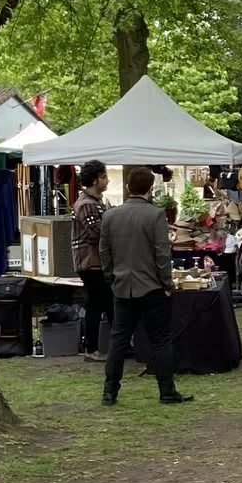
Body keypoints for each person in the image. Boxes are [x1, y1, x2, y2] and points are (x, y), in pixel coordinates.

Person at [100, 168, 192, 406]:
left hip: (122, 286)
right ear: (150, 188)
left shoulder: (110, 216)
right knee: (161, 340)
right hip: (151, 287)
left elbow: (104, 252)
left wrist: (111, 277)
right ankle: (167, 390)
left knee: (118, 341)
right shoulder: (155, 215)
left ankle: (110, 392)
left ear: (129, 187)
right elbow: (162, 254)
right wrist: (167, 283)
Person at [72, 160, 113, 363]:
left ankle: (116, 346)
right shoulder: (86, 204)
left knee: (105, 303)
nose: (107, 180)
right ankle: (92, 349)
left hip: (97, 262)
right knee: (97, 304)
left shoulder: (96, 202)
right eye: (104, 176)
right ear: (95, 179)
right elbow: (96, 232)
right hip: (91, 262)